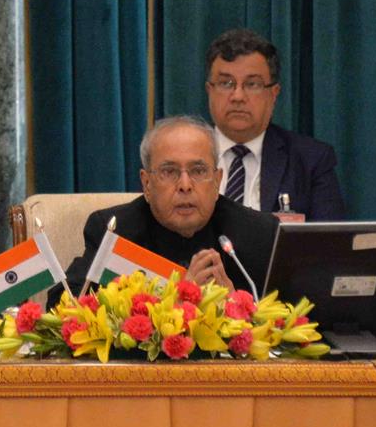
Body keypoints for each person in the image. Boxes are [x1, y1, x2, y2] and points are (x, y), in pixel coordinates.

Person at [59, 116, 278, 301]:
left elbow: (294, 317)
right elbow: (66, 303)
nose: (185, 185)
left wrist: (237, 306)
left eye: (198, 170)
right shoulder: (115, 233)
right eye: (169, 171)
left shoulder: (257, 232)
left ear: (217, 180)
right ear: (146, 184)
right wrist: (173, 300)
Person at [204, 29, 345, 219]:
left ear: (274, 93)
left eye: (252, 84)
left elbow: (329, 243)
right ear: (209, 90)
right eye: (226, 83)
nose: (237, 96)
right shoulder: (179, 156)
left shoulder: (311, 160)